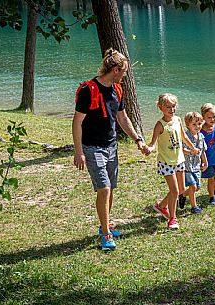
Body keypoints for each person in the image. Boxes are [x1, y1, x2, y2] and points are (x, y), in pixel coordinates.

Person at [73, 48, 148, 251]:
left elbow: (122, 118)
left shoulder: (117, 90)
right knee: (104, 188)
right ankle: (106, 234)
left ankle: (104, 225)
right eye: (123, 71)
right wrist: (78, 151)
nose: (124, 76)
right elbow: (77, 122)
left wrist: (138, 140)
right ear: (115, 69)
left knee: (110, 189)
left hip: (111, 146)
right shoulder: (89, 91)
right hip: (92, 147)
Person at [146, 93, 200, 229]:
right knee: (175, 191)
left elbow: (183, 136)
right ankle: (172, 219)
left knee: (181, 189)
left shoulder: (177, 120)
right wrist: (149, 148)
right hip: (166, 162)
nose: (171, 109)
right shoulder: (160, 125)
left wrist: (193, 148)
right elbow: (153, 143)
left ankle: (161, 206)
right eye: (168, 107)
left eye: (173, 106)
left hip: (179, 160)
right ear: (160, 107)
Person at [178, 112, 208, 214]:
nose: (197, 126)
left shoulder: (201, 137)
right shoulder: (185, 136)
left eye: (199, 124)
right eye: (194, 124)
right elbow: (181, 149)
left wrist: (205, 162)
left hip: (196, 166)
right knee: (193, 186)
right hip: (186, 166)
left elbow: (202, 151)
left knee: (197, 187)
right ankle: (194, 207)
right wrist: (190, 151)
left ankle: (182, 195)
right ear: (188, 125)